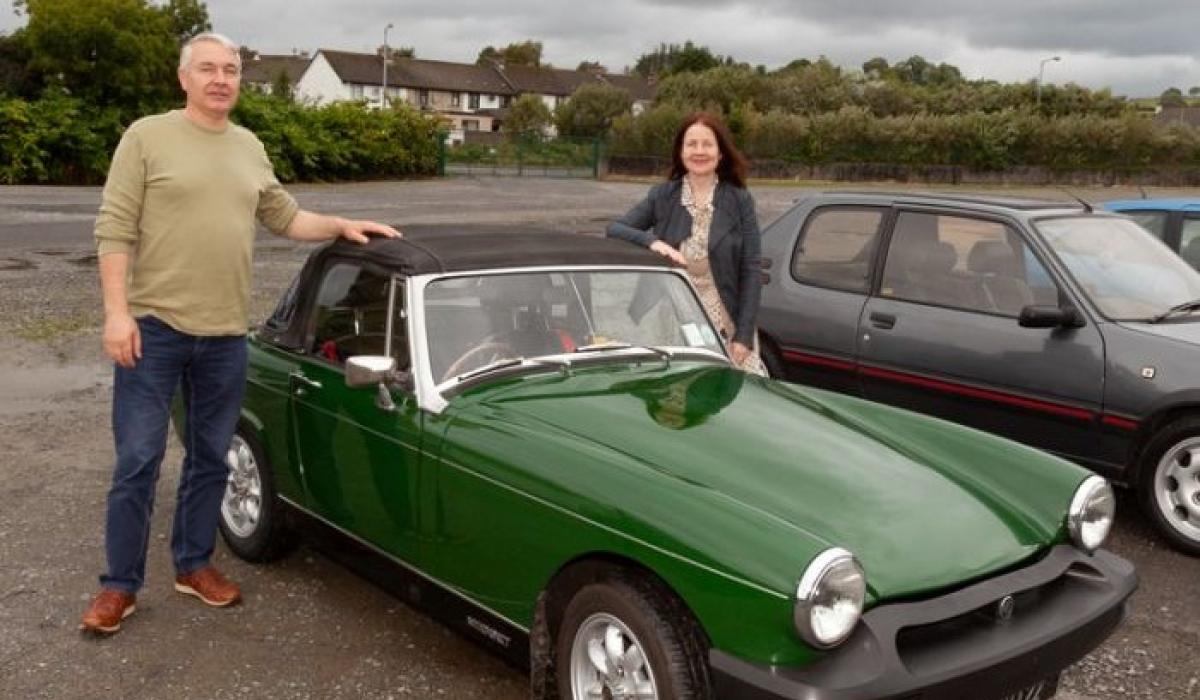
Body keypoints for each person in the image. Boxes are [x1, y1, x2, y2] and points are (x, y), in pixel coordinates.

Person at [80, 32, 401, 635]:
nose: (221, 79)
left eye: (230, 70)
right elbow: (114, 229)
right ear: (184, 78)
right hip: (153, 331)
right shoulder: (146, 137)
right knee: (139, 459)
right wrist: (116, 313)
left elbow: (285, 216)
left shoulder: (248, 146)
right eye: (208, 69)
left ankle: (193, 564)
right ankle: (119, 586)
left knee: (211, 457)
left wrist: (341, 223)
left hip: (225, 336)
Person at [607, 113, 766, 375]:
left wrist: (744, 336)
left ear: (720, 153)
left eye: (707, 144)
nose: (699, 151)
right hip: (668, 316)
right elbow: (615, 229)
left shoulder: (740, 200)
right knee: (673, 391)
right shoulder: (662, 196)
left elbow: (751, 268)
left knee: (728, 389)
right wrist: (653, 242)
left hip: (723, 319)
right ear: (681, 152)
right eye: (691, 144)